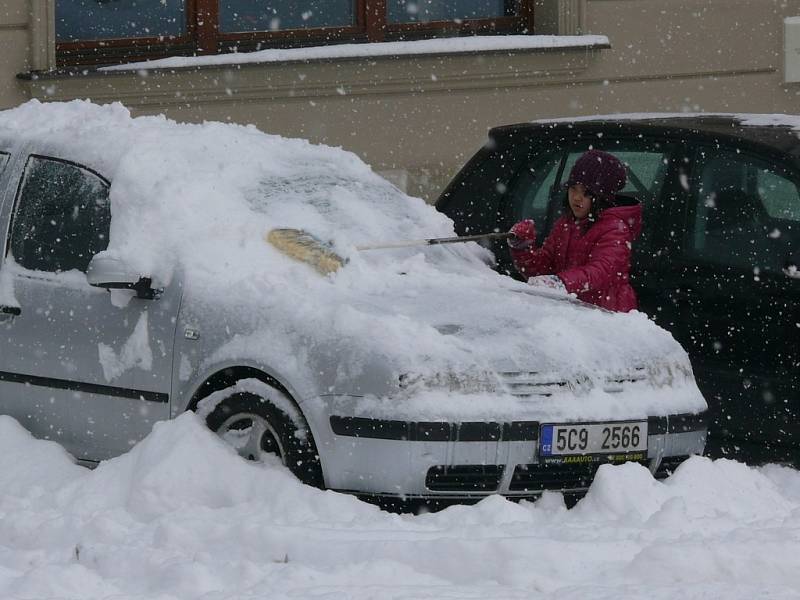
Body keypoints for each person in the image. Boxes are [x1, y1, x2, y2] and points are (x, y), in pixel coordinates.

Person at [507, 149, 642, 312]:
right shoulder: (566, 224)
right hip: (571, 313)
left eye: (587, 193)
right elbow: (542, 270)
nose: (577, 197)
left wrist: (561, 283)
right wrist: (523, 247)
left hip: (606, 314)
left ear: (603, 197)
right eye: (573, 189)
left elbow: (600, 271)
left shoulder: (615, 229)